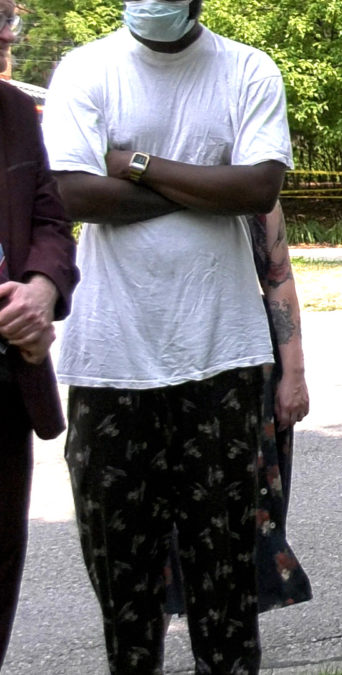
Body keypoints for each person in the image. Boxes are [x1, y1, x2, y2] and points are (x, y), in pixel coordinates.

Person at [40, 0, 292, 670]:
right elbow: (73, 194)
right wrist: (209, 189)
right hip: (110, 364)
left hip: (223, 359)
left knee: (227, 589)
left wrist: (136, 164)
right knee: (125, 596)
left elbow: (259, 187)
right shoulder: (85, 69)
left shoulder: (247, 70)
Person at [163, 202, 312, 618]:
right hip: (155, 356)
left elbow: (278, 276)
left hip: (243, 357)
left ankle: (233, 627)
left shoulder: (251, 179)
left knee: (244, 516)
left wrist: (294, 374)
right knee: (156, 517)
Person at [0, 1, 79, 666]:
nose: (6, 33)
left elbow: (51, 222)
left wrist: (41, 290)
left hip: (7, 391)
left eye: (8, 15)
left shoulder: (15, 114)